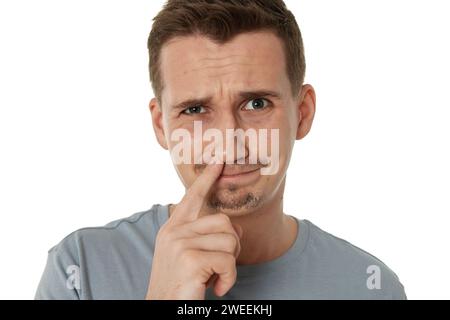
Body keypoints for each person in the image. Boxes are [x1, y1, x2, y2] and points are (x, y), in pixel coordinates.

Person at [35, 0, 406, 299]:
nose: (228, 138)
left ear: (303, 113)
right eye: (195, 110)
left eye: (257, 104)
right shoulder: (81, 269)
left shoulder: (369, 286)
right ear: (161, 125)